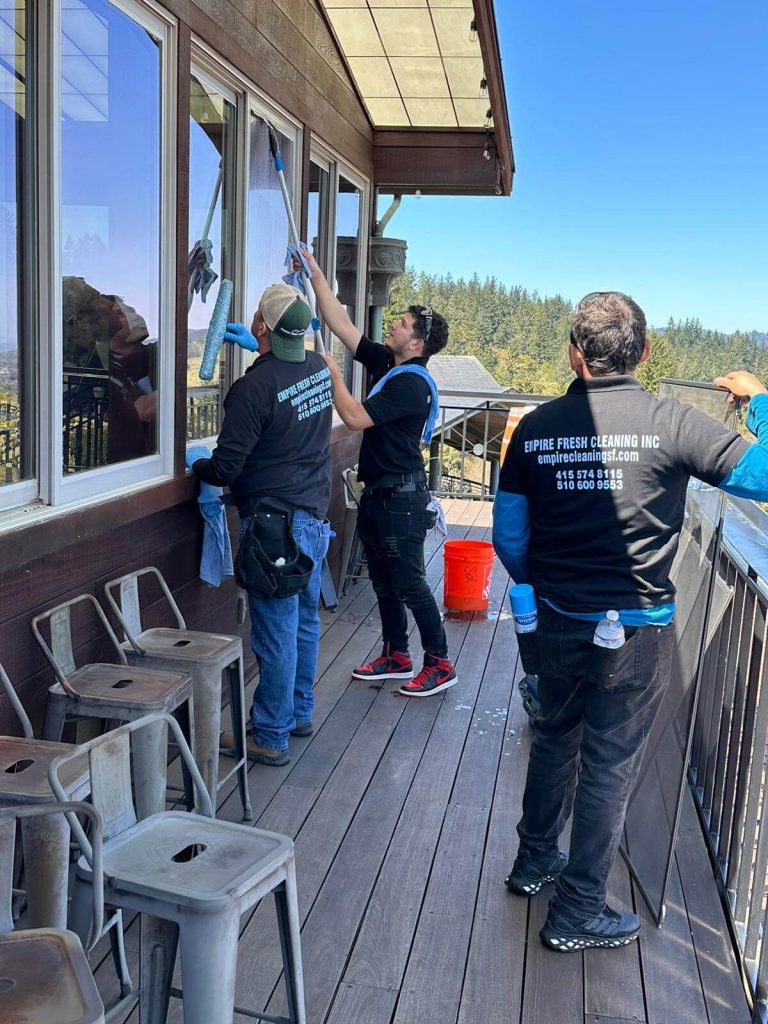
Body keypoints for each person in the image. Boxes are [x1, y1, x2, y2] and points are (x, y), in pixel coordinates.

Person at [492, 290, 768, 952]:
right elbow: (760, 477)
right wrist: (759, 398)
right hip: (635, 630)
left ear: (573, 354)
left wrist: (545, 581)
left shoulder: (534, 427)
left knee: (555, 737)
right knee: (608, 763)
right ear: (643, 352)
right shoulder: (672, 422)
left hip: (554, 620)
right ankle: (579, 908)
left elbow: (507, 533)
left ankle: (533, 864)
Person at [296, 247, 457, 697]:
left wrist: (334, 377)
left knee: (408, 581)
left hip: (402, 499)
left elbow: (355, 418)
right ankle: (396, 654)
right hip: (381, 494)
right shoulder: (391, 364)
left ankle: (440, 663)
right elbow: (342, 327)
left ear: (417, 344)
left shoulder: (410, 384)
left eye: (402, 324)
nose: (394, 325)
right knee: (384, 580)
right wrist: (315, 272)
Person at [188, 283, 333, 766]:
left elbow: (227, 468)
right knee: (304, 623)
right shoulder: (316, 369)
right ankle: (298, 714)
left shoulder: (252, 388)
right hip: (312, 518)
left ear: (260, 328)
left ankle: (270, 735)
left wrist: (196, 466)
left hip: (275, 527)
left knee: (276, 632)